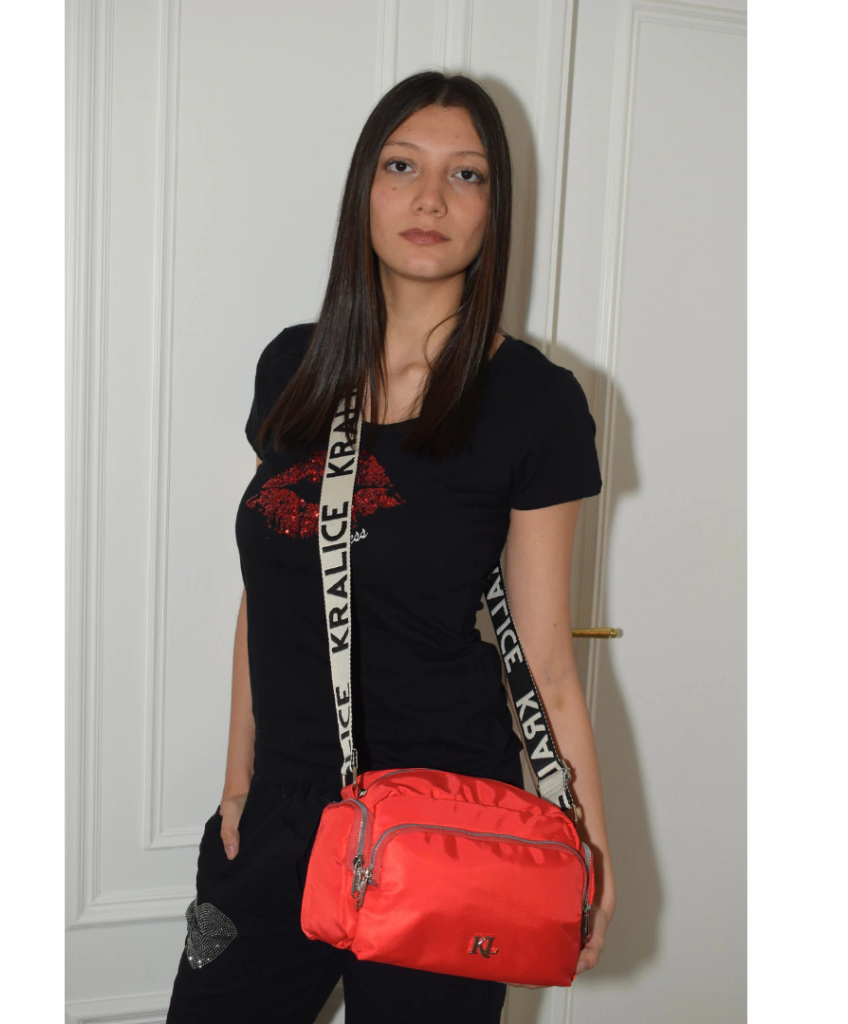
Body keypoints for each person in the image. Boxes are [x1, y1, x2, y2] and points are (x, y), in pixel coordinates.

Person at [165, 70, 615, 1024]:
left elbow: (546, 662)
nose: (430, 199)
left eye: (467, 175)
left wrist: (588, 842)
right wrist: (240, 780)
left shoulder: (534, 403)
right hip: (282, 814)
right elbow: (269, 590)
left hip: (445, 822)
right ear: (363, 189)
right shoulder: (294, 366)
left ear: (495, 208)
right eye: (402, 166)